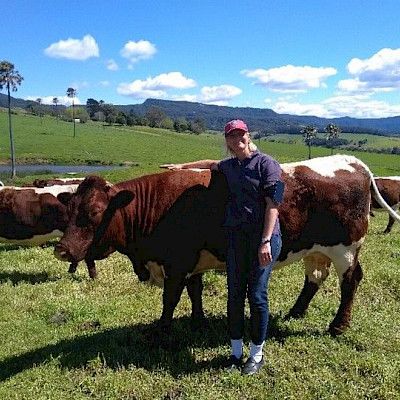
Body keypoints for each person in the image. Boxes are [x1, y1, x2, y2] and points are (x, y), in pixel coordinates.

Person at [161, 119, 284, 375]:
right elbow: (209, 164)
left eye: (240, 135)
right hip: (236, 238)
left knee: (257, 295)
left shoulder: (268, 164)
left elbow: (275, 203)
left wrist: (265, 241)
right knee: (235, 295)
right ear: (227, 141)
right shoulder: (230, 166)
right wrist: (182, 166)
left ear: (248, 136)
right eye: (231, 136)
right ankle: (235, 353)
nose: (236, 139)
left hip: (263, 238)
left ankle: (256, 354)